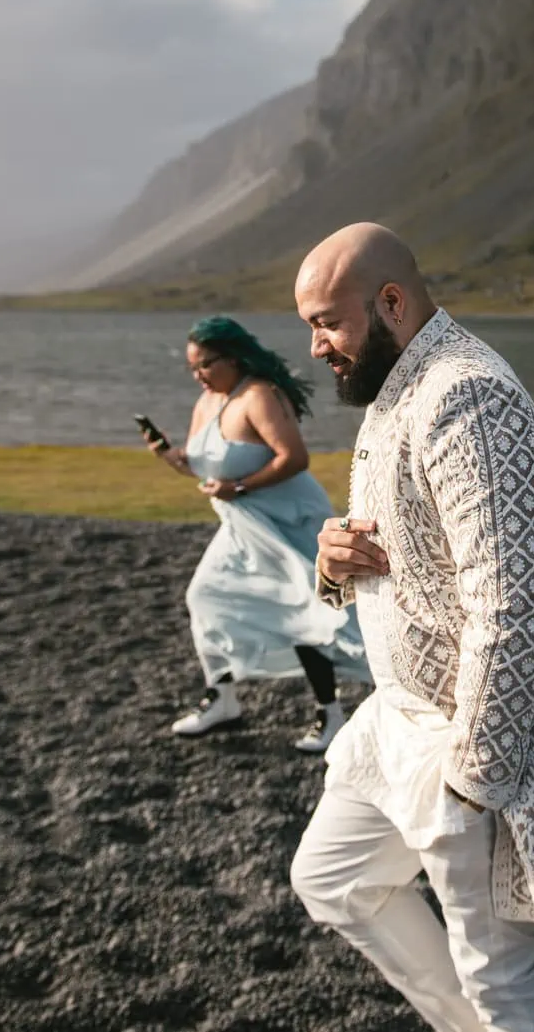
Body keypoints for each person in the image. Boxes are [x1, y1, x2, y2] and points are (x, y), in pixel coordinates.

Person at [292, 224, 534, 1032]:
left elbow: (514, 603)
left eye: (326, 322)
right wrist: (334, 560)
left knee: (502, 977)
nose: (315, 347)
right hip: (395, 724)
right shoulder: (398, 387)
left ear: (391, 301)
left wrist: (475, 776)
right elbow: (408, 548)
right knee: (333, 877)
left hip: (470, 735)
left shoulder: (469, 395)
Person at [146, 315, 368, 754]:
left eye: (206, 364)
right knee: (205, 597)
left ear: (233, 357)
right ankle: (221, 698)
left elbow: (294, 458)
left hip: (290, 522)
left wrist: (240, 487)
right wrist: (169, 456)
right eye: (192, 367)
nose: (198, 374)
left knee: (304, 614)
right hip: (242, 527)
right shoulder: (207, 402)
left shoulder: (260, 395)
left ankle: (330, 715)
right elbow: (204, 467)